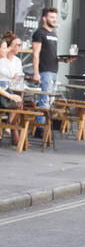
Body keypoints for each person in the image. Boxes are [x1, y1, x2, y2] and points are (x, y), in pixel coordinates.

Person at [32, 7, 75, 138]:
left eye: (55, 18)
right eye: (51, 17)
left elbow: (52, 55)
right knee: (44, 100)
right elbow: (36, 53)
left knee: (50, 100)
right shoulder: (39, 33)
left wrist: (65, 59)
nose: (54, 20)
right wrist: (36, 73)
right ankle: (40, 128)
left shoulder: (54, 35)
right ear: (44, 18)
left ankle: (43, 126)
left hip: (54, 70)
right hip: (44, 71)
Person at [0, 35, 23, 144]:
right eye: (17, 45)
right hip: (4, 89)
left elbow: (17, 77)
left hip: (10, 87)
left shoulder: (17, 61)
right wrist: (10, 95)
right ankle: (11, 129)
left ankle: (10, 126)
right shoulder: (2, 60)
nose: (19, 47)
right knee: (17, 99)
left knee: (19, 99)